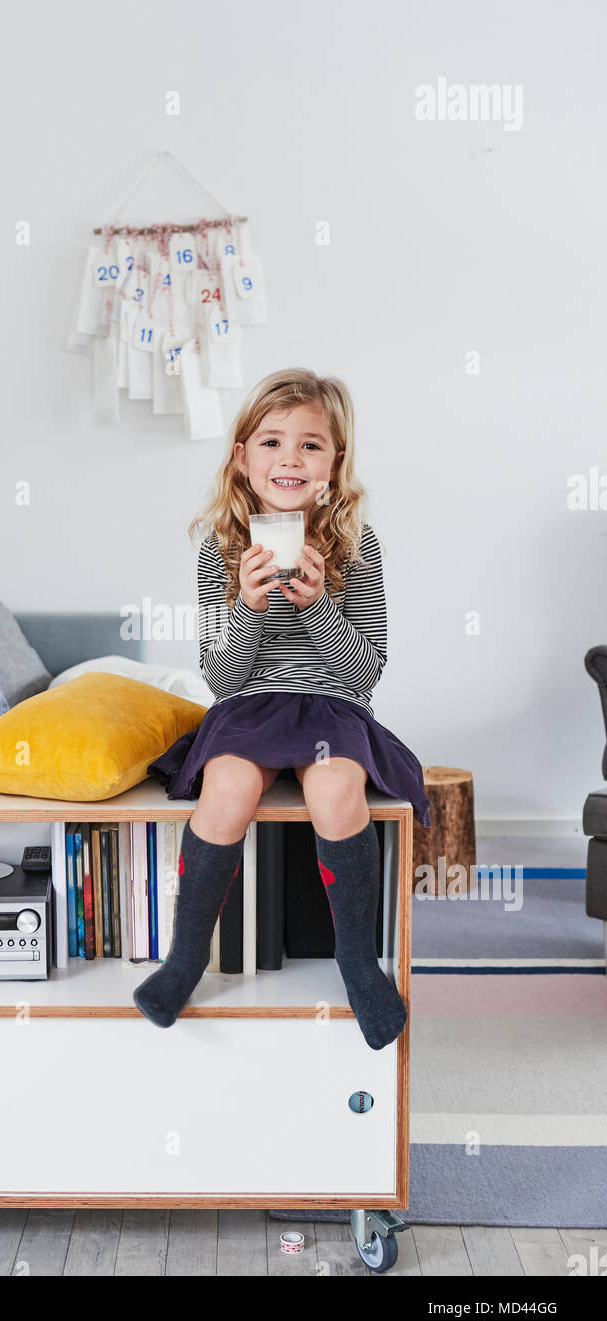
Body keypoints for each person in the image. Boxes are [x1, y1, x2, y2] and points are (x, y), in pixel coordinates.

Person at [133, 367, 431, 1050]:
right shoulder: (220, 548)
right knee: (228, 787)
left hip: (332, 708)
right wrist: (248, 604)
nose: (289, 458)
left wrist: (319, 606)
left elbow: (365, 672)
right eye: (270, 442)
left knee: (335, 789)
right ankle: (185, 958)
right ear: (241, 458)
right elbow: (221, 676)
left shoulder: (360, 544)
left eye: (310, 445)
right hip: (250, 706)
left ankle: (356, 960)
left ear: (336, 464)